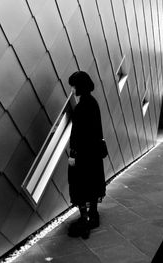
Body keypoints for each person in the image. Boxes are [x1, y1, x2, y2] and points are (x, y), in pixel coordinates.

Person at [67, 71, 106, 239]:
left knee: (78, 184)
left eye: (74, 85)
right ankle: (93, 215)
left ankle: (85, 218)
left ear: (80, 86)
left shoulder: (82, 106)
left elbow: (76, 134)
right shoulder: (93, 103)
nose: (73, 88)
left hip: (83, 154)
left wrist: (73, 154)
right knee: (93, 183)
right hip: (94, 154)